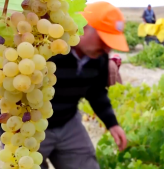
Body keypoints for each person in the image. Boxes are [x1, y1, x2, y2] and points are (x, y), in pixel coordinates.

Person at [40, 2, 128, 169]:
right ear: (83, 26)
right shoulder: (46, 48)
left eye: (110, 42)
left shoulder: (98, 58)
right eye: (103, 40)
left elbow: (96, 92)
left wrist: (112, 123)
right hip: (31, 124)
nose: (107, 48)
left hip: (67, 122)